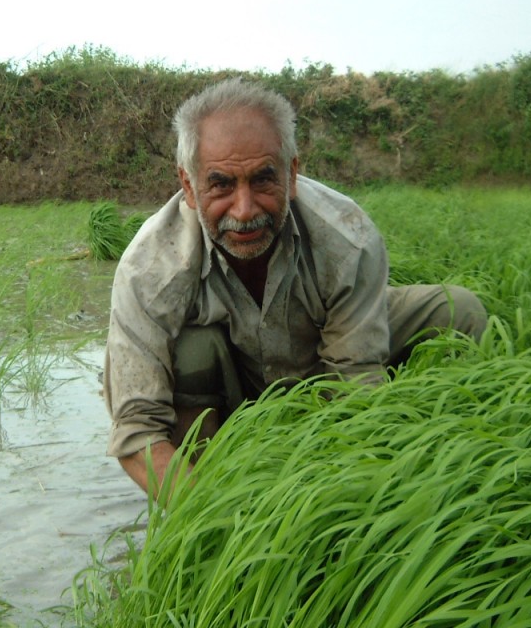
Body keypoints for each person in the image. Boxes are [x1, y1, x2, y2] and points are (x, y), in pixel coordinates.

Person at [103, 78, 487, 496]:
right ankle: (215, 470)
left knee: (460, 311)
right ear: (189, 187)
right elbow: (137, 430)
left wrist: (339, 494)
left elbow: (354, 384)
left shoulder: (347, 237)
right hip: (233, 380)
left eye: (264, 180)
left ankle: (447, 451)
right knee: (191, 348)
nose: (245, 209)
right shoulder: (149, 270)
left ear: (292, 175)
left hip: (318, 355)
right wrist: (213, 515)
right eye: (221, 184)